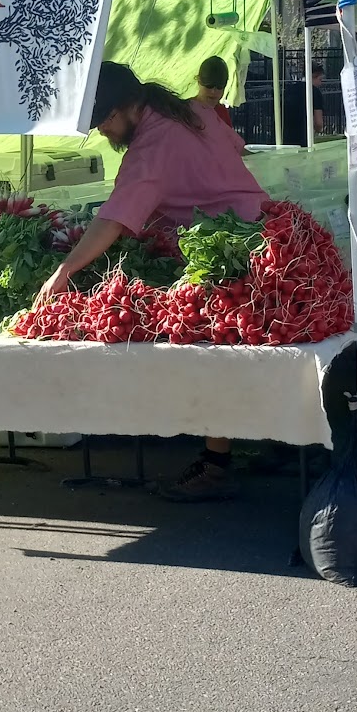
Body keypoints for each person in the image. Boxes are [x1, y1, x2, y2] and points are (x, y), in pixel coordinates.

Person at [35, 61, 267, 501]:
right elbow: (237, 151)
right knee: (231, 348)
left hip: (226, 247)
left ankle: (215, 463)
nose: (104, 133)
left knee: (207, 350)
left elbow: (112, 221)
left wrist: (65, 270)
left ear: (123, 110)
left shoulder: (151, 146)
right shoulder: (189, 111)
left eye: (103, 122)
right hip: (252, 231)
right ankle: (253, 436)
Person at [193, 54, 233, 126]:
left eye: (219, 87)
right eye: (209, 86)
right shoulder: (187, 111)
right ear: (199, 81)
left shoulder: (222, 112)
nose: (213, 91)